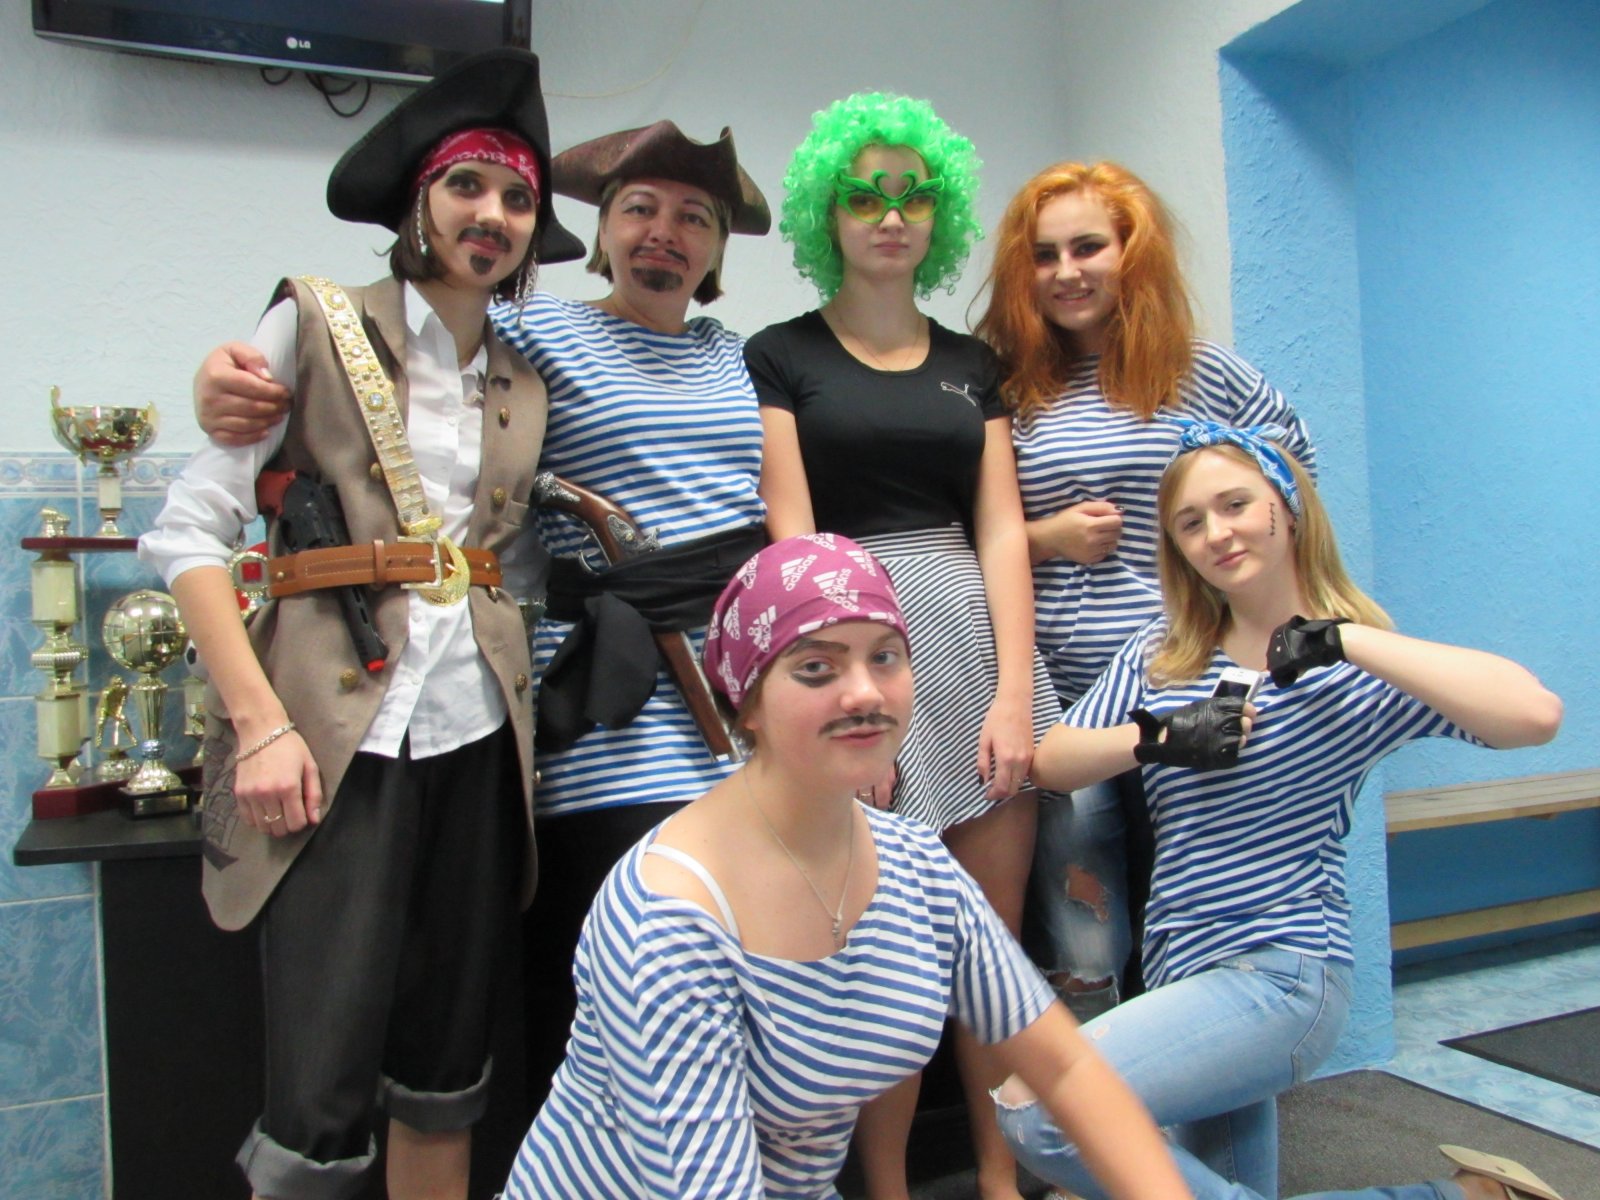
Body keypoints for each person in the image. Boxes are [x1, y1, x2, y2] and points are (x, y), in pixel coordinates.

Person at [189, 119, 773, 1113]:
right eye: (639, 208)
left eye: (695, 218)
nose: (664, 233)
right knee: (601, 988)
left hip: (708, 700)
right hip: (595, 699)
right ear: (599, 232)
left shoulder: (740, 358)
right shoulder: (532, 336)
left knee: (738, 973)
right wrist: (221, 378)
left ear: (719, 250)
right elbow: (399, 345)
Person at [139, 49, 583, 1200]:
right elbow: (189, 534)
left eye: (518, 196)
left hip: (480, 744)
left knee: (447, 1066)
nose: (493, 214)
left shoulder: (526, 381)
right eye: (467, 184)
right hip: (334, 744)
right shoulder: (312, 324)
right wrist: (261, 725)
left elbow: (509, 561)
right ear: (416, 205)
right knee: (321, 1083)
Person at [503, 533, 1193, 1200]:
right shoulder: (668, 922)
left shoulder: (915, 866)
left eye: (885, 657)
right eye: (816, 668)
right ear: (747, 701)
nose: (865, 693)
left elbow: (1066, 1070)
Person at [993, 421, 1564, 1200]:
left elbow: (1534, 716)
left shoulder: (1355, 673)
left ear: (1287, 509)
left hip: (1281, 972)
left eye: (1235, 505)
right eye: (1190, 523)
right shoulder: (1165, 653)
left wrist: (1343, 640)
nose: (1216, 533)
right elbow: (1054, 760)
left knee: (1041, 1110)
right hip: (1181, 969)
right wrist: (1159, 738)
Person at [745, 92, 1060, 1200]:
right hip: (854, 652)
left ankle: (999, 1177)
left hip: (970, 642)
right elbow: (792, 541)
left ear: (942, 215)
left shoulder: (977, 364)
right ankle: (881, 1189)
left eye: (913, 195)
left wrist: (1013, 695)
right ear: (825, 213)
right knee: (882, 959)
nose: (890, 215)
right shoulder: (778, 354)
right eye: (865, 195)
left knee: (992, 949)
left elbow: (1001, 530)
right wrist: (849, 705)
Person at [973, 160, 1317, 1022]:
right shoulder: (1008, 388)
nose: (1067, 272)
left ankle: (1197, 1085)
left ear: (1134, 253)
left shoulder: (1206, 375)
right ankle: (1098, 1104)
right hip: (1068, 703)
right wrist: (1048, 537)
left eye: (1088, 247)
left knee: (1201, 925)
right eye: (1044, 255)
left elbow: (1292, 492)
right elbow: (969, 532)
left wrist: (1265, 635)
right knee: (1084, 939)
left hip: (1194, 689)